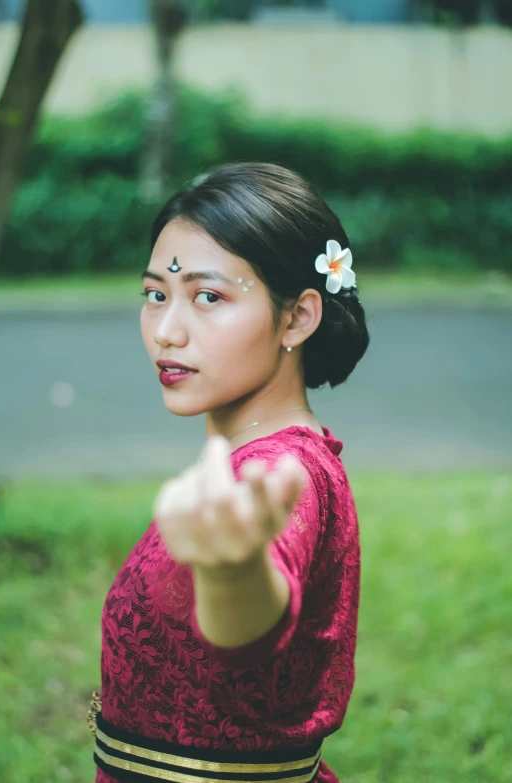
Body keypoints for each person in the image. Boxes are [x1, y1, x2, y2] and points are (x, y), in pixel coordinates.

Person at [89, 162, 370, 783]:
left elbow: (252, 629)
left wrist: (233, 569)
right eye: (156, 294)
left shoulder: (282, 471)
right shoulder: (254, 455)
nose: (166, 331)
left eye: (208, 297)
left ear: (297, 316)